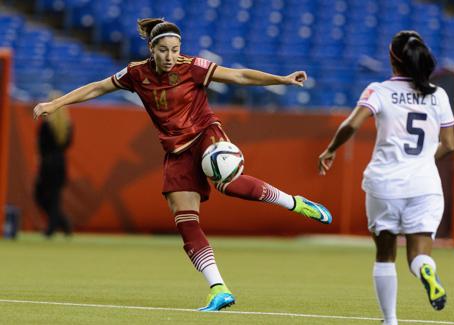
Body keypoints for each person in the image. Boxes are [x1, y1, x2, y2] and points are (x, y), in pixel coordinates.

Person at [33, 18, 332, 311]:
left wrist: (281, 79)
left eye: (175, 49)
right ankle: (219, 289)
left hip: (205, 135)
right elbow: (98, 88)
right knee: (186, 223)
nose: (171, 56)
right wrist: (55, 104)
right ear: (152, 49)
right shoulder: (136, 74)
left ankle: (294, 202)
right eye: (164, 49)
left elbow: (238, 76)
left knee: (229, 183)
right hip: (176, 151)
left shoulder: (193, 67)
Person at [318, 31, 454, 325]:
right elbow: (450, 144)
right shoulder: (438, 94)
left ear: (392, 59)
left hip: (385, 185)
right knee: (418, 256)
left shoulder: (379, 91)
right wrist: (421, 161)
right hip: (425, 186)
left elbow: (351, 124)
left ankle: (390, 320)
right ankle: (426, 272)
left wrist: (330, 149)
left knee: (385, 255)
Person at [34, 102, 73, 238]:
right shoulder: (67, 125)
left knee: (41, 195)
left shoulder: (46, 125)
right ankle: (62, 223)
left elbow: (40, 146)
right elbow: (68, 144)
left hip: (47, 163)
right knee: (54, 197)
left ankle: (53, 227)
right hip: (60, 163)